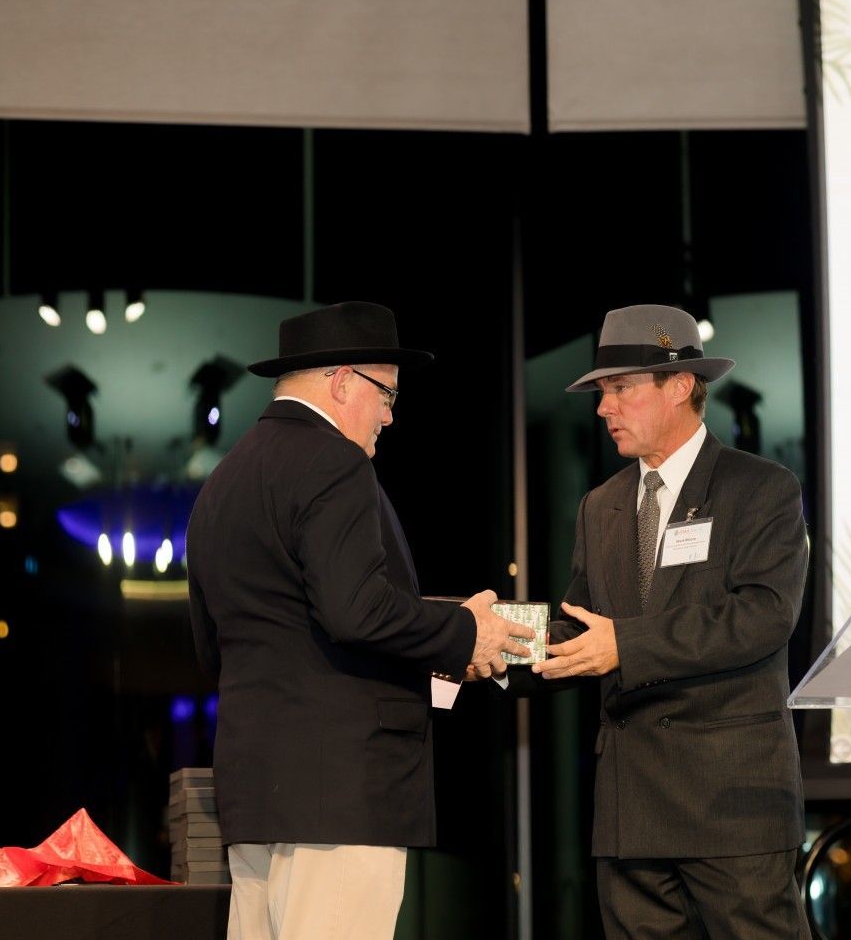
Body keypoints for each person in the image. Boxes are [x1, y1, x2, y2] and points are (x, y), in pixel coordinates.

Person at [186, 301, 534, 940]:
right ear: (341, 381)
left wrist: (436, 621)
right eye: (387, 395)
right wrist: (465, 634)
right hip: (344, 797)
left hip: (257, 795)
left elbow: (217, 648)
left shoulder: (222, 482)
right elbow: (354, 612)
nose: (390, 416)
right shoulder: (334, 461)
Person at [531, 303, 811, 939]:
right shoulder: (599, 507)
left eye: (620, 389)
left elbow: (765, 615)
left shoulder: (760, 488)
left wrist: (624, 645)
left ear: (681, 386)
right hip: (632, 812)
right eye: (602, 392)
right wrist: (490, 646)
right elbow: (581, 630)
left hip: (732, 804)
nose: (604, 409)